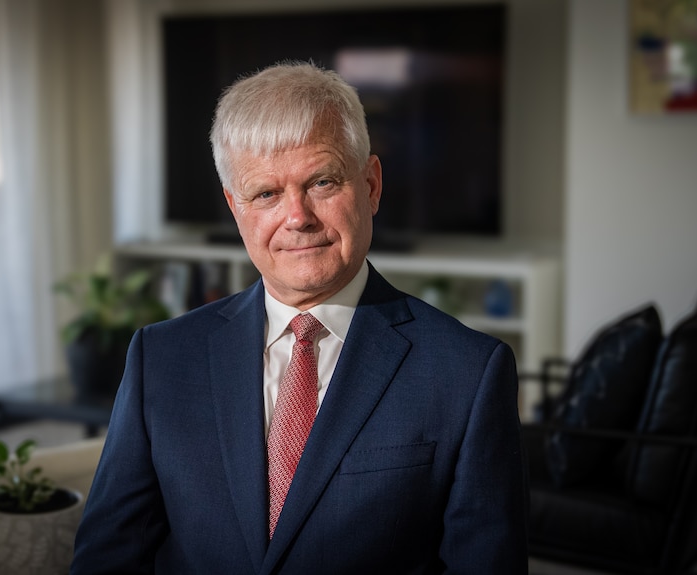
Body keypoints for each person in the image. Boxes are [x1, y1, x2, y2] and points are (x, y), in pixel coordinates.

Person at [71, 61, 528, 574]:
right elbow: (108, 557)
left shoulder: (468, 372)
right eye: (266, 193)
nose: (297, 217)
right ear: (235, 207)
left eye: (323, 182)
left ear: (372, 185)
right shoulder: (160, 358)